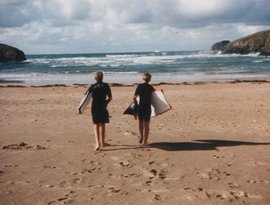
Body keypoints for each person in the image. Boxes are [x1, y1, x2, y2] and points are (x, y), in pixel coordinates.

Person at [88, 71, 112, 151]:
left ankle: (98, 143)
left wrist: (81, 108)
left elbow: (86, 98)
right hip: (103, 105)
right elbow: (110, 97)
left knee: (96, 124)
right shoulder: (106, 85)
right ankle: (102, 142)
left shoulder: (92, 86)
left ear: (95, 78)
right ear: (102, 77)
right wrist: (106, 103)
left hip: (95, 106)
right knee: (102, 124)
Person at [133, 72, 155, 146]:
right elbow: (155, 97)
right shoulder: (150, 87)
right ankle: (145, 141)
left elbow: (134, 97)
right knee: (147, 125)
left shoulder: (139, 87)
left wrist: (135, 104)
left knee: (140, 123)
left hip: (140, 107)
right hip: (147, 107)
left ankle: (141, 136)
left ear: (143, 79)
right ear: (149, 80)